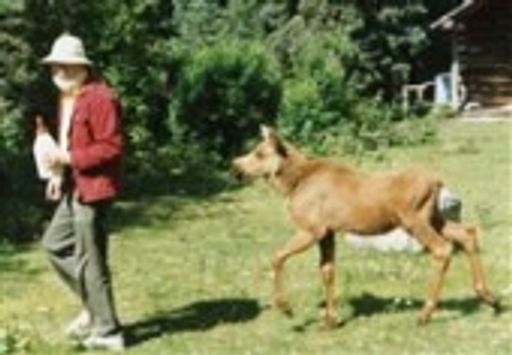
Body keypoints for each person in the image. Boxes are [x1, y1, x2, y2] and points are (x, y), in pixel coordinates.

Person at [38, 33, 124, 351]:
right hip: (74, 185)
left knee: (91, 261)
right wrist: (58, 174)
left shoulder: (101, 98)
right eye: (56, 66)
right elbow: (66, 143)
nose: (61, 72)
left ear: (83, 67)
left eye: (68, 66)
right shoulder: (67, 98)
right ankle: (95, 309)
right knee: (54, 245)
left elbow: (111, 147)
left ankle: (109, 331)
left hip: (95, 189)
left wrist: (69, 159)